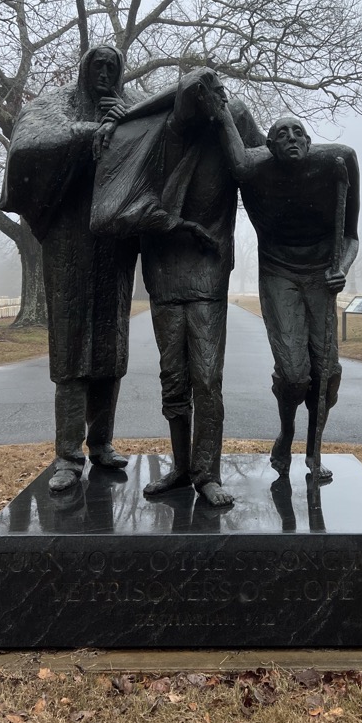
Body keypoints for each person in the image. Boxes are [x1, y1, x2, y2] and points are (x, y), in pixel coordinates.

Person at [93, 69, 264, 506]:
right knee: (173, 377)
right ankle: (183, 467)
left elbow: (257, 172)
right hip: (164, 270)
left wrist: (223, 116)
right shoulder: (155, 129)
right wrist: (113, 122)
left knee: (206, 377)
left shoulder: (232, 118)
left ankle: (208, 472)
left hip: (207, 270)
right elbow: (120, 196)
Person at [0, 45, 137, 491]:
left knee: (110, 350)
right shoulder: (54, 106)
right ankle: (67, 455)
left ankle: (101, 444)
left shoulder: (130, 107)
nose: (104, 72)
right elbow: (28, 147)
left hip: (113, 245)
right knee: (71, 350)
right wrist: (90, 132)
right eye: (97, 65)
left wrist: (124, 126)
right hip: (68, 242)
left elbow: (161, 144)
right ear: (83, 69)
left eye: (111, 67)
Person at [216, 111, 359, 479]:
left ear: (309, 143)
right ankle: (286, 431)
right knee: (295, 375)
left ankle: (313, 451)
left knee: (326, 373)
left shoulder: (338, 161)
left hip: (322, 273)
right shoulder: (256, 171)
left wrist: (340, 267)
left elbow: (351, 237)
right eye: (282, 134)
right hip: (279, 272)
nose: (292, 138)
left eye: (299, 132)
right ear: (269, 145)